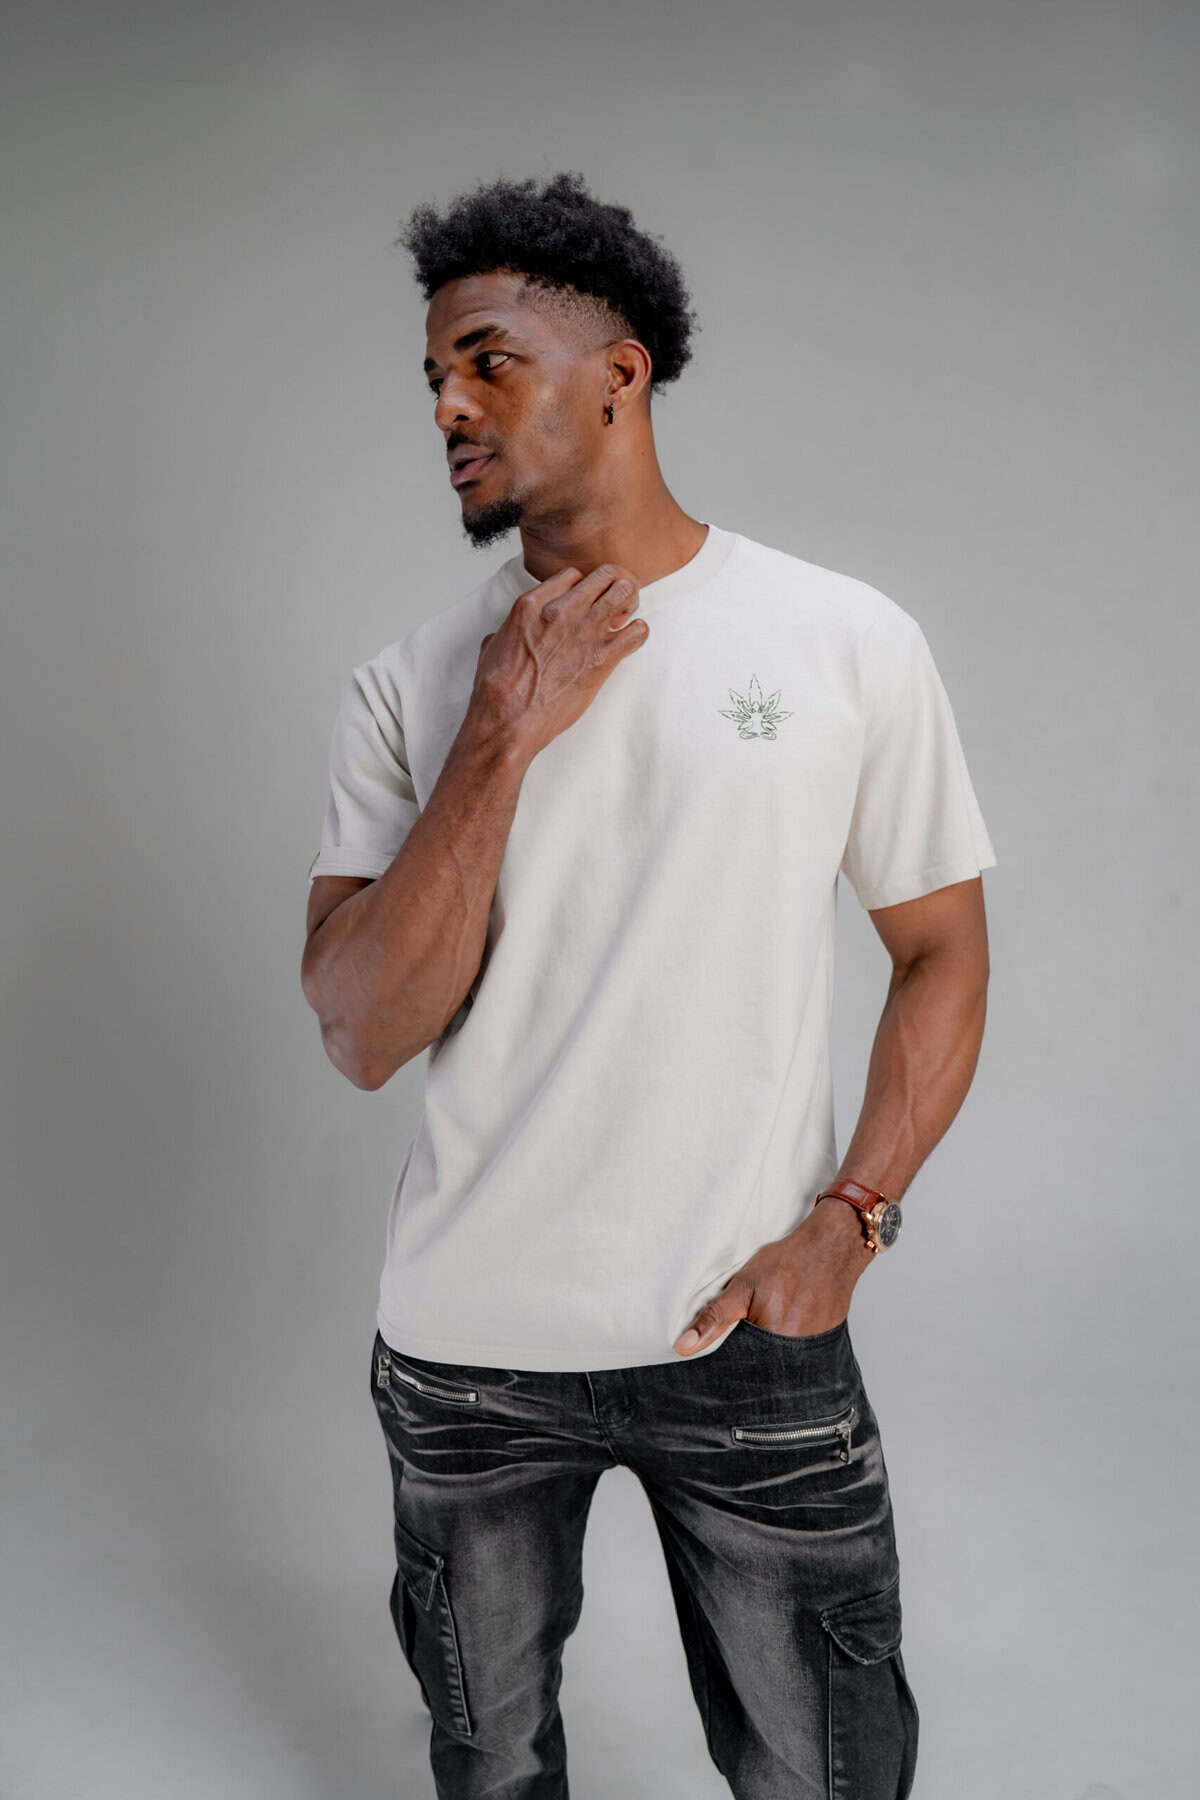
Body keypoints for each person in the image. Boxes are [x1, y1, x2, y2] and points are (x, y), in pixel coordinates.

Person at [301, 170, 996, 1800]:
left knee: (827, 1774)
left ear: (620, 376)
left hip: (749, 1327)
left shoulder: (840, 638)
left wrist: (852, 1221)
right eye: (433, 379)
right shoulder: (410, 687)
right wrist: (501, 728)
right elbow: (362, 1029)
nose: (448, 407)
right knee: (492, 1765)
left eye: (486, 361)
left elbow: (942, 952)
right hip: (470, 1349)